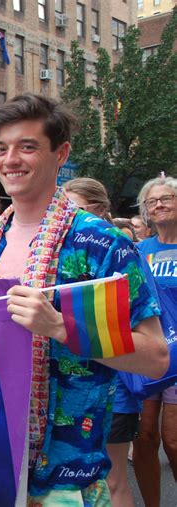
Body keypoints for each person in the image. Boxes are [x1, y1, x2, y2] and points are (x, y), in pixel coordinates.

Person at [0, 94, 168, 505]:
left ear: (61, 154)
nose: (11, 160)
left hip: (66, 477)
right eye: (1, 149)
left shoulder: (101, 243)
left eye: (27, 146)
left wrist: (60, 327)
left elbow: (154, 357)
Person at [64, 177, 140, 506]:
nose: (66, 218)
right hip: (69, 393)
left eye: (74, 209)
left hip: (115, 383)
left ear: (98, 209)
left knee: (111, 478)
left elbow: (143, 335)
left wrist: (61, 327)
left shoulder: (117, 250)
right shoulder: (57, 252)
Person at [132, 175, 177, 507]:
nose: (159, 205)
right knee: (144, 437)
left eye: (167, 198)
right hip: (147, 352)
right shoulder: (138, 250)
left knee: (173, 441)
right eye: (152, 201)